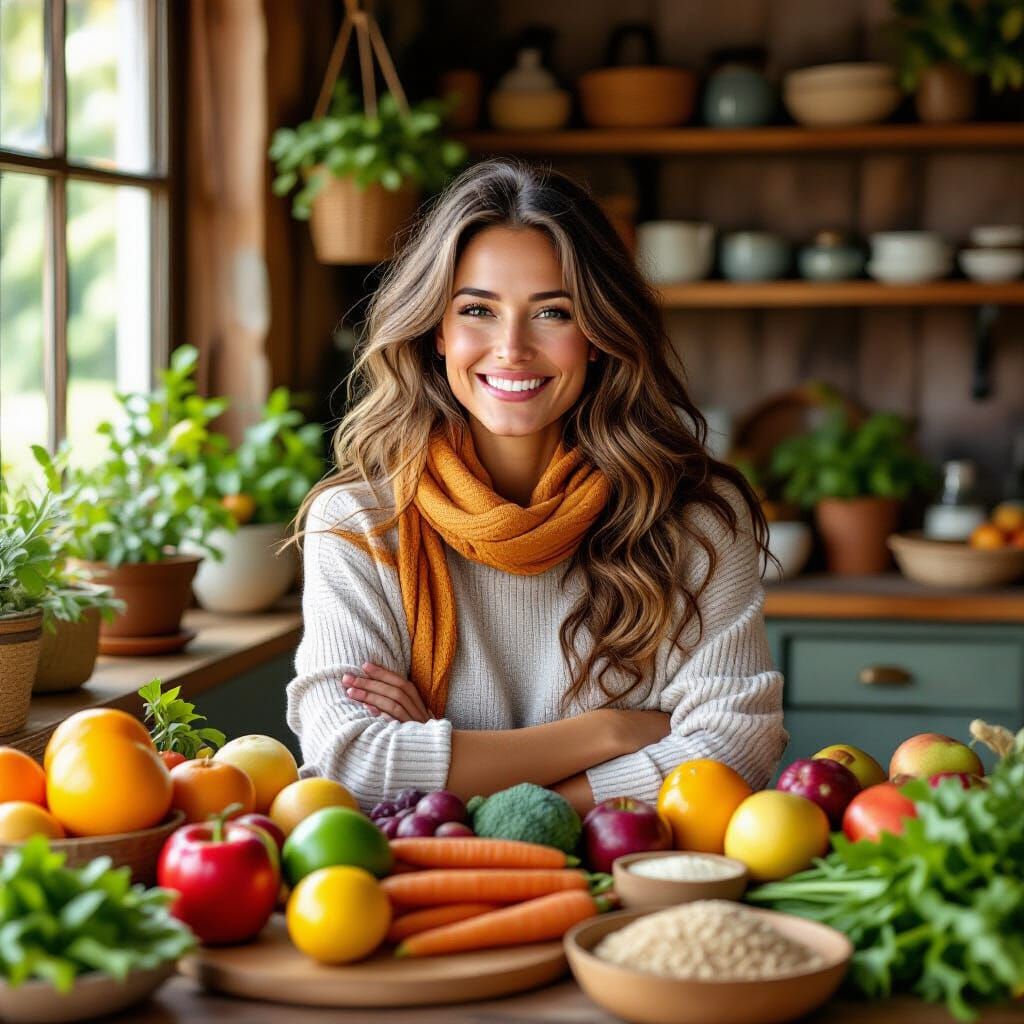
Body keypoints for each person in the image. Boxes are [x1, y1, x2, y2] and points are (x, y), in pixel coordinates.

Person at [286, 158, 786, 815]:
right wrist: (612, 732)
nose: (512, 347)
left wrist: (466, 780)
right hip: (434, 886)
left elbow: (735, 749)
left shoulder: (694, 520)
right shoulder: (358, 524)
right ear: (438, 330)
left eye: (552, 312)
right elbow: (353, 765)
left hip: (636, 882)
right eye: (478, 311)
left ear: (600, 335)